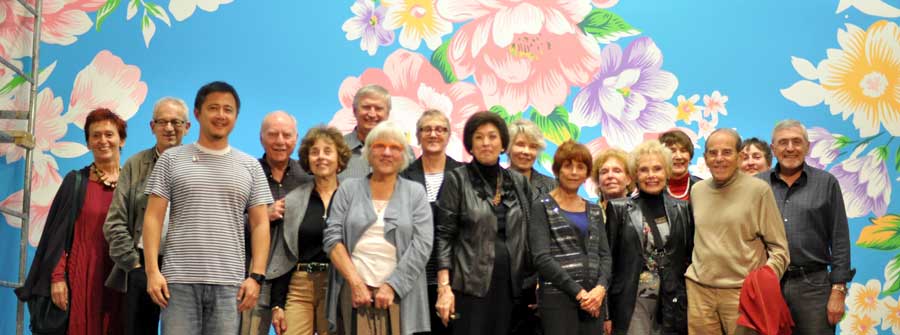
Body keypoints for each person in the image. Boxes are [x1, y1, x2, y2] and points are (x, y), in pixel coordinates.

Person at [142, 81, 274, 334]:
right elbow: (153, 218)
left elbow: (260, 224)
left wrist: (256, 276)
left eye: (228, 109)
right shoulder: (171, 159)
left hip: (229, 285)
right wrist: (152, 272)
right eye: (213, 108)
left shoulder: (250, 166)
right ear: (197, 113)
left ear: (236, 116)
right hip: (178, 283)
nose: (221, 115)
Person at [18, 108, 128, 334]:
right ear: (88, 144)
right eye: (95, 135)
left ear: (122, 140)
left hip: (121, 279)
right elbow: (56, 237)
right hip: (81, 278)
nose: (103, 140)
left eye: (109, 134)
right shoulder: (76, 182)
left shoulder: (135, 184)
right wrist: (57, 278)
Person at [323, 120, 434, 335]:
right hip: (354, 292)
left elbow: (423, 245)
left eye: (395, 148)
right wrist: (355, 283)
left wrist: (392, 285)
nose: (387, 152)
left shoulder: (416, 193)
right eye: (379, 146)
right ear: (368, 152)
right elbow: (332, 238)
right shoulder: (348, 188)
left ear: (404, 156)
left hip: (401, 293)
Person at [434, 111, 534, 335]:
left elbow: (529, 233)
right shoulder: (456, 179)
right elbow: (443, 235)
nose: (486, 143)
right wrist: (444, 287)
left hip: (513, 288)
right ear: (470, 144)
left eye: (492, 136)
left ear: (502, 144)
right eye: (479, 137)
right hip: (469, 287)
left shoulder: (518, 182)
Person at [685, 128, 790, 335]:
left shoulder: (759, 191)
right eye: (713, 153)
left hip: (742, 295)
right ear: (705, 158)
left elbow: (780, 250)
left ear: (739, 156)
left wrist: (762, 283)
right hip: (699, 293)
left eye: (726, 152)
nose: (719, 159)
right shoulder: (697, 191)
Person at [103, 98, 190, 335]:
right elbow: (115, 222)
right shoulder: (135, 165)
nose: (169, 128)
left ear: (188, 127)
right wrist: (135, 265)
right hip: (141, 264)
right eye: (162, 122)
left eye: (176, 122)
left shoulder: (199, 164)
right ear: (152, 127)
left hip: (186, 267)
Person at [759, 120, 854, 335]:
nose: (790, 148)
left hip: (814, 287)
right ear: (773, 149)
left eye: (796, 142)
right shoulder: (757, 185)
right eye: (783, 143)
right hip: (767, 285)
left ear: (807, 147)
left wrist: (838, 290)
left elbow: (839, 239)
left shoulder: (826, 183)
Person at [604, 140, 693, 335]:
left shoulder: (683, 209)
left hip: (672, 303)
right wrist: (606, 313)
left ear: (667, 172)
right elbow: (607, 263)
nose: (651, 175)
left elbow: (687, 258)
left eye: (657, 169)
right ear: (635, 174)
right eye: (644, 170)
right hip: (632, 301)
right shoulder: (618, 209)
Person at [268, 126, 350, 335]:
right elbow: (283, 254)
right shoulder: (294, 199)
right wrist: (277, 304)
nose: (320, 157)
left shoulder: (353, 197)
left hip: (337, 285)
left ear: (339, 159)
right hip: (299, 286)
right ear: (307, 160)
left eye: (327, 151)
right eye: (314, 152)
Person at [241, 111, 313, 335]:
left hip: (294, 280)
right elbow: (226, 221)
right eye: (273, 135)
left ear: (296, 138)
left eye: (286, 135)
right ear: (261, 137)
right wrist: (262, 216)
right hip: (251, 272)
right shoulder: (246, 172)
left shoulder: (308, 176)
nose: (280, 141)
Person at [530, 140, 612, 335]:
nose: (574, 172)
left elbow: (605, 256)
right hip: (558, 300)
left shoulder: (594, 209)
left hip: (594, 300)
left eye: (580, 167)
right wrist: (579, 293)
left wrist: (600, 289)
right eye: (568, 166)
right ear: (557, 170)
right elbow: (541, 258)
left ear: (586, 174)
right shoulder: (541, 205)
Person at [399, 109, 463, 335]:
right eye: (427, 129)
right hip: (415, 275)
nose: (433, 134)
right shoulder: (403, 176)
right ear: (417, 136)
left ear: (448, 136)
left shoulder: (463, 174)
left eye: (440, 129)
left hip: (456, 276)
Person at [338, 84, 412, 180]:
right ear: (354, 111)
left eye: (378, 108)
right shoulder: (337, 149)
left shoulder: (403, 150)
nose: (372, 114)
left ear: (388, 114)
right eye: (366, 107)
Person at [508, 119, 556, 194]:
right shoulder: (495, 184)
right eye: (520, 144)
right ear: (508, 147)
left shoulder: (552, 186)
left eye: (533, 146)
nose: (527, 151)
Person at [657, 130, 701, 201]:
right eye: (672, 151)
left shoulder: (703, 188)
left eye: (683, 151)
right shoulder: (653, 189)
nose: (679, 157)